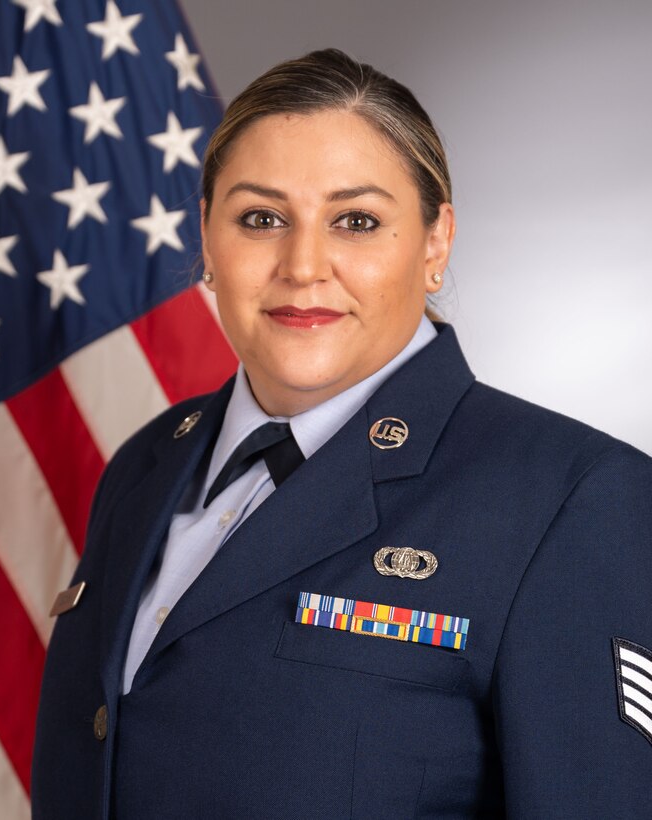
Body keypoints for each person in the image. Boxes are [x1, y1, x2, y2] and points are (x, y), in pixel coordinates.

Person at [32, 48, 652, 819]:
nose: (303, 265)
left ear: (435, 242)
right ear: (207, 240)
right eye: (261, 218)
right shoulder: (145, 464)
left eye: (356, 221)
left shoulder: (571, 498)